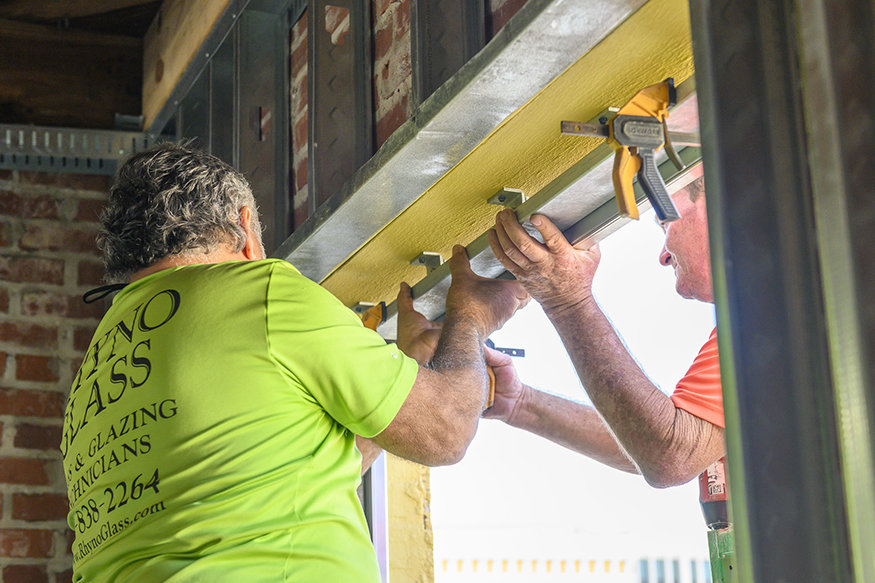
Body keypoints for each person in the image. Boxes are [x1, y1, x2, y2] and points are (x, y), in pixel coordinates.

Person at [61, 143, 528, 582]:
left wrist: (408, 367)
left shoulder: (97, 366)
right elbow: (444, 430)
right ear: (245, 228)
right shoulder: (257, 293)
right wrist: (471, 316)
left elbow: (292, 469)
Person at [483, 168, 725, 488]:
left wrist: (568, 301)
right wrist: (518, 402)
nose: (664, 256)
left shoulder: (773, 310)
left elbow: (670, 453)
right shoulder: (771, 318)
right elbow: (650, 439)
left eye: (665, 223)